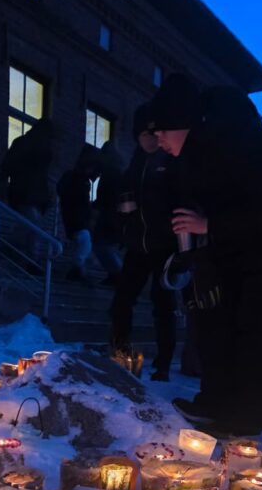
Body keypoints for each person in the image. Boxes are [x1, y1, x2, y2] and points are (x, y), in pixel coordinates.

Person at [151, 74, 262, 436]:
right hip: (236, 248)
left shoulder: (240, 145)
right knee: (218, 321)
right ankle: (214, 401)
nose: (158, 138)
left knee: (255, 328)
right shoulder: (202, 151)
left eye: (162, 129)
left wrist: (210, 224)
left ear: (183, 123)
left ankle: (244, 416)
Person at [110, 103, 181, 380]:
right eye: (144, 134)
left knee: (163, 305)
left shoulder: (171, 162)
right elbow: (122, 202)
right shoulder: (134, 166)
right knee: (122, 301)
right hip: (136, 246)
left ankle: (163, 364)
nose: (150, 139)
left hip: (165, 247)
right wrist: (122, 223)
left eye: (154, 133)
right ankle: (120, 353)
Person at [0, 119, 55, 265]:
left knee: (33, 224)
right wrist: (2, 187)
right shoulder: (24, 144)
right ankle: (26, 254)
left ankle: (26, 254)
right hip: (24, 192)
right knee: (34, 224)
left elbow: (42, 175)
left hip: (33, 193)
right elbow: (7, 166)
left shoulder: (41, 147)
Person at [56, 144, 99, 283]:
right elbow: (75, 200)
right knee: (84, 241)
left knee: (84, 243)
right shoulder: (77, 179)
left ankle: (78, 269)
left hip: (76, 218)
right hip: (76, 219)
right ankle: (77, 269)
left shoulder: (80, 179)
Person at [91, 141, 125, 281]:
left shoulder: (110, 174)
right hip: (113, 216)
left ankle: (118, 273)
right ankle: (115, 274)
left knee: (102, 245)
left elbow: (106, 197)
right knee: (103, 246)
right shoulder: (116, 172)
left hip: (110, 216)